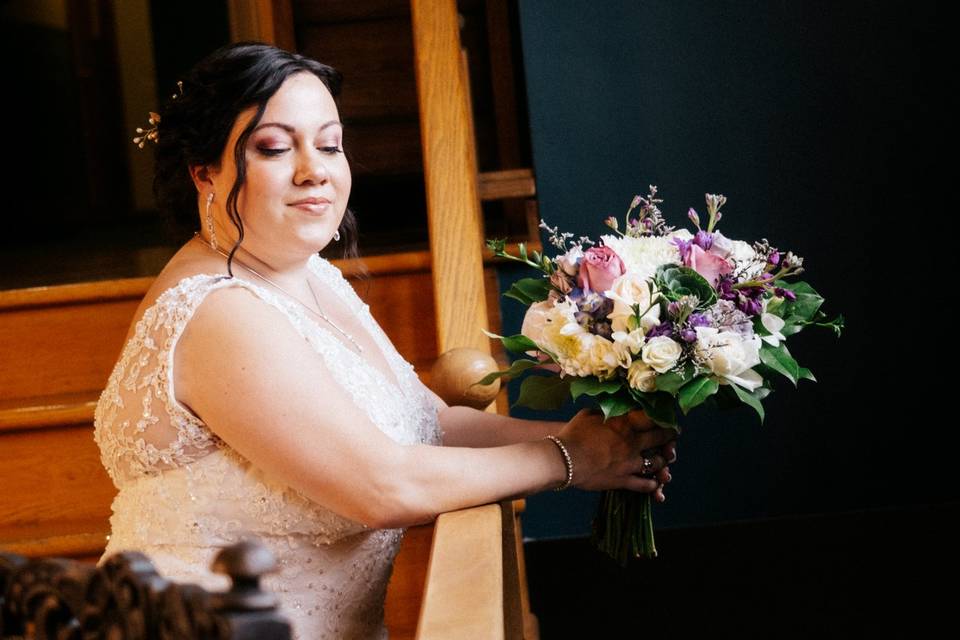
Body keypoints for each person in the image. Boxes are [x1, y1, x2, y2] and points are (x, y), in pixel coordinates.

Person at [93, 41, 678, 639]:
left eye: (329, 144)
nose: (313, 169)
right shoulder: (219, 311)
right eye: (274, 147)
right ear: (204, 173)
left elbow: (427, 421)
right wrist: (569, 461)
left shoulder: (309, 274)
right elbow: (381, 486)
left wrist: (592, 437)